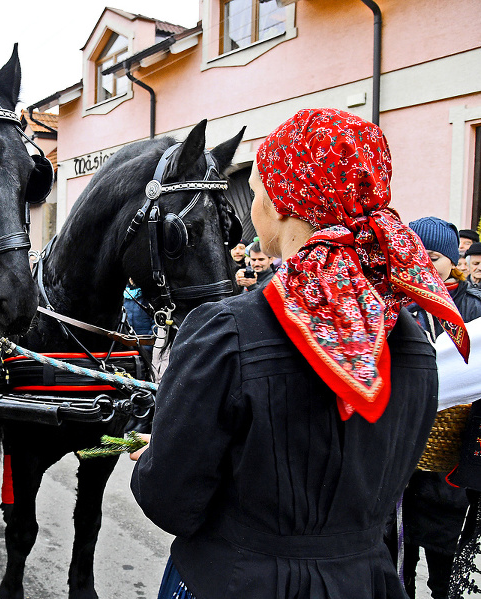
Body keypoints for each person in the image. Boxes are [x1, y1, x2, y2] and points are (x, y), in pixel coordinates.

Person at [130, 108, 468, 599]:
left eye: (259, 186)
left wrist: (152, 462)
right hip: (364, 583)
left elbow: (170, 501)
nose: (253, 203)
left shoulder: (227, 331)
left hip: (233, 582)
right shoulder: (414, 341)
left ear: (286, 202)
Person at [390, 216, 481, 599]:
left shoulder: (472, 307)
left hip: (452, 458)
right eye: (416, 254)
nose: (424, 263)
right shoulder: (392, 303)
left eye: (433, 255)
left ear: (451, 259)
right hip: (401, 454)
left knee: (445, 563)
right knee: (398, 559)